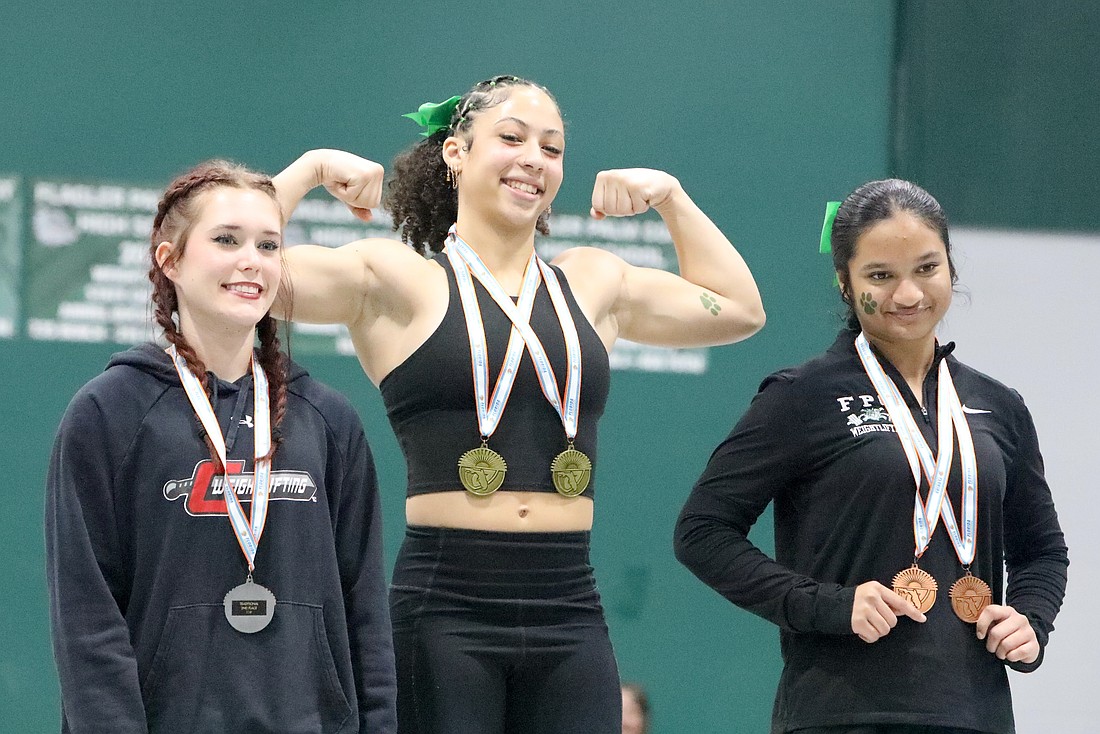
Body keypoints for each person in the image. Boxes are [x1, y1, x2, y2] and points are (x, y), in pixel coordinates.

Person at [271, 75, 765, 733]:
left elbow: (740, 309)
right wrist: (308, 171)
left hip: (569, 603)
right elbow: (239, 273)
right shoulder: (396, 279)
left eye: (551, 148)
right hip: (445, 607)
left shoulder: (593, 281)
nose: (534, 158)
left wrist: (672, 199)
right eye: (511, 138)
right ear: (455, 152)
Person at [674, 179, 1069, 734]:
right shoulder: (802, 395)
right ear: (845, 283)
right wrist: (827, 605)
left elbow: (1042, 550)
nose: (908, 294)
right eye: (880, 276)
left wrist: (1030, 619)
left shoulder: (998, 405)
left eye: (926, 268)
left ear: (951, 267)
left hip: (974, 713)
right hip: (839, 712)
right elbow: (702, 531)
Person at [45, 160, 397, 733]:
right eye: (226, 240)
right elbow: (88, 620)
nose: (251, 260)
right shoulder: (109, 412)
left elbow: (366, 613)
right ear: (171, 260)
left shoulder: (329, 421)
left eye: (268, 245)